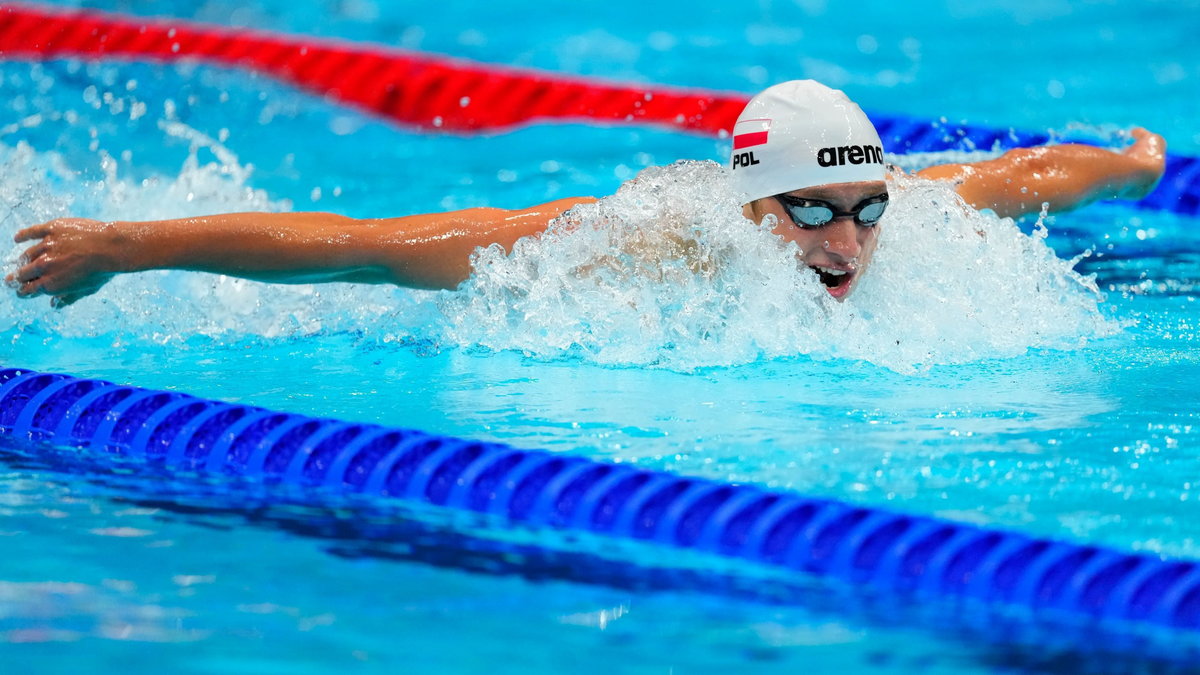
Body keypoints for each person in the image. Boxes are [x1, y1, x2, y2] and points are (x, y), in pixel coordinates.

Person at [6, 80, 1165, 307]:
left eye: (864, 209)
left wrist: (1142, 165)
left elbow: (1026, 176)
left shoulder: (904, 216)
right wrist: (124, 244)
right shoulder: (636, 247)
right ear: (755, 207)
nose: (846, 239)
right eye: (809, 211)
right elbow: (358, 243)